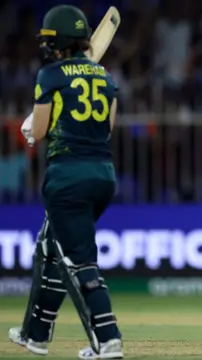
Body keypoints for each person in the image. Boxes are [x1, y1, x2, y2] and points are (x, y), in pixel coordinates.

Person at [8, 5, 124, 359]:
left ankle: (108, 339)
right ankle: (36, 334)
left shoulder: (49, 75)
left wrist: (30, 128)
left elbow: (40, 130)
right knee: (49, 249)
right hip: (102, 175)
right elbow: (105, 129)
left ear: (54, 41)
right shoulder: (105, 77)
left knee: (78, 260)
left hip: (67, 177)